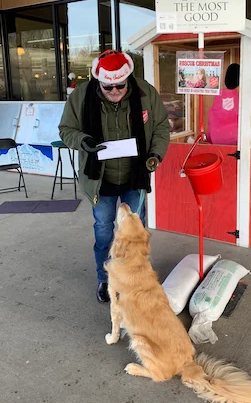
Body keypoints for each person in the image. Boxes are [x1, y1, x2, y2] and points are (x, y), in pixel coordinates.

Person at [59, 50, 170, 303]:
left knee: (135, 234)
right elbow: (66, 130)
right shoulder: (81, 96)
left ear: (128, 78)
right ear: (100, 81)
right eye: (109, 87)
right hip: (100, 179)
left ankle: (135, 279)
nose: (115, 91)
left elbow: (162, 126)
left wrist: (155, 155)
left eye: (121, 85)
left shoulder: (145, 92)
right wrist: (83, 141)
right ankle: (105, 279)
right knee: (103, 234)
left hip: (135, 176)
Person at [206, 63, 240, 145]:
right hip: (237, 141)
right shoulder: (240, 97)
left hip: (216, 141)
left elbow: (211, 118)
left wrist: (209, 138)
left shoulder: (218, 97)